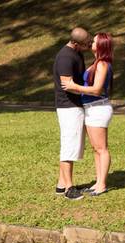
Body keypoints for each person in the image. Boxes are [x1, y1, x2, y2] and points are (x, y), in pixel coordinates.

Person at [62, 32, 114, 196]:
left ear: (101, 46)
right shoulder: (96, 63)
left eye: (94, 41)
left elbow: (97, 89)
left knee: (102, 148)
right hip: (92, 108)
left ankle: (102, 184)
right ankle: (98, 182)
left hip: (98, 108)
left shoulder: (102, 64)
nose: (91, 42)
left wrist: (73, 87)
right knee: (96, 149)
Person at [53, 27, 91, 201]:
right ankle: (69, 188)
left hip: (75, 105)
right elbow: (67, 84)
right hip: (69, 107)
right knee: (69, 147)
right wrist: (91, 91)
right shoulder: (65, 57)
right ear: (75, 43)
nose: (88, 46)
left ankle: (61, 184)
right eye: (86, 44)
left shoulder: (77, 53)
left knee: (72, 145)